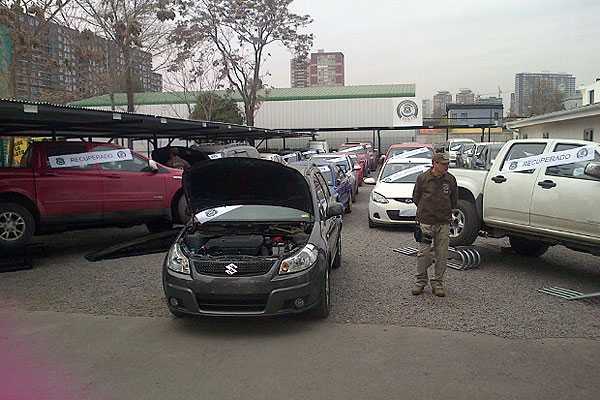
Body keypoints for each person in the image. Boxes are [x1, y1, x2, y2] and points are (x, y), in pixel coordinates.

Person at [411, 151, 457, 297]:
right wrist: (427, 211)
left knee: (442, 254)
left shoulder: (450, 179)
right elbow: (416, 198)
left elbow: (454, 200)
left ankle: (437, 283)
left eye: (447, 164)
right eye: (443, 164)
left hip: (443, 223)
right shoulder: (423, 178)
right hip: (426, 222)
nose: (446, 167)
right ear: (434, 163)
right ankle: (420, 282)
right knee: (423, 253)